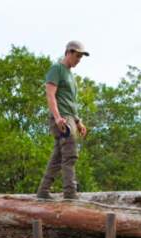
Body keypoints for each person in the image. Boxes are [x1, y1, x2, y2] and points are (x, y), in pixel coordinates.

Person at [36, 40, 89, 200]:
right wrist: (58, 117)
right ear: (68, 53)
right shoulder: (56, 69)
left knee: (58, 157)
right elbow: (50, 95)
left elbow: (70, 101)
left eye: (81, 57)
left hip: (70, 118)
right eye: (77, 56)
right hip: (62, 119)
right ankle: (70, 194)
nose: (79, 60)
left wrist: (78, 121)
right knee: (70, 155)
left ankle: (43, 192)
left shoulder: (70, 75)